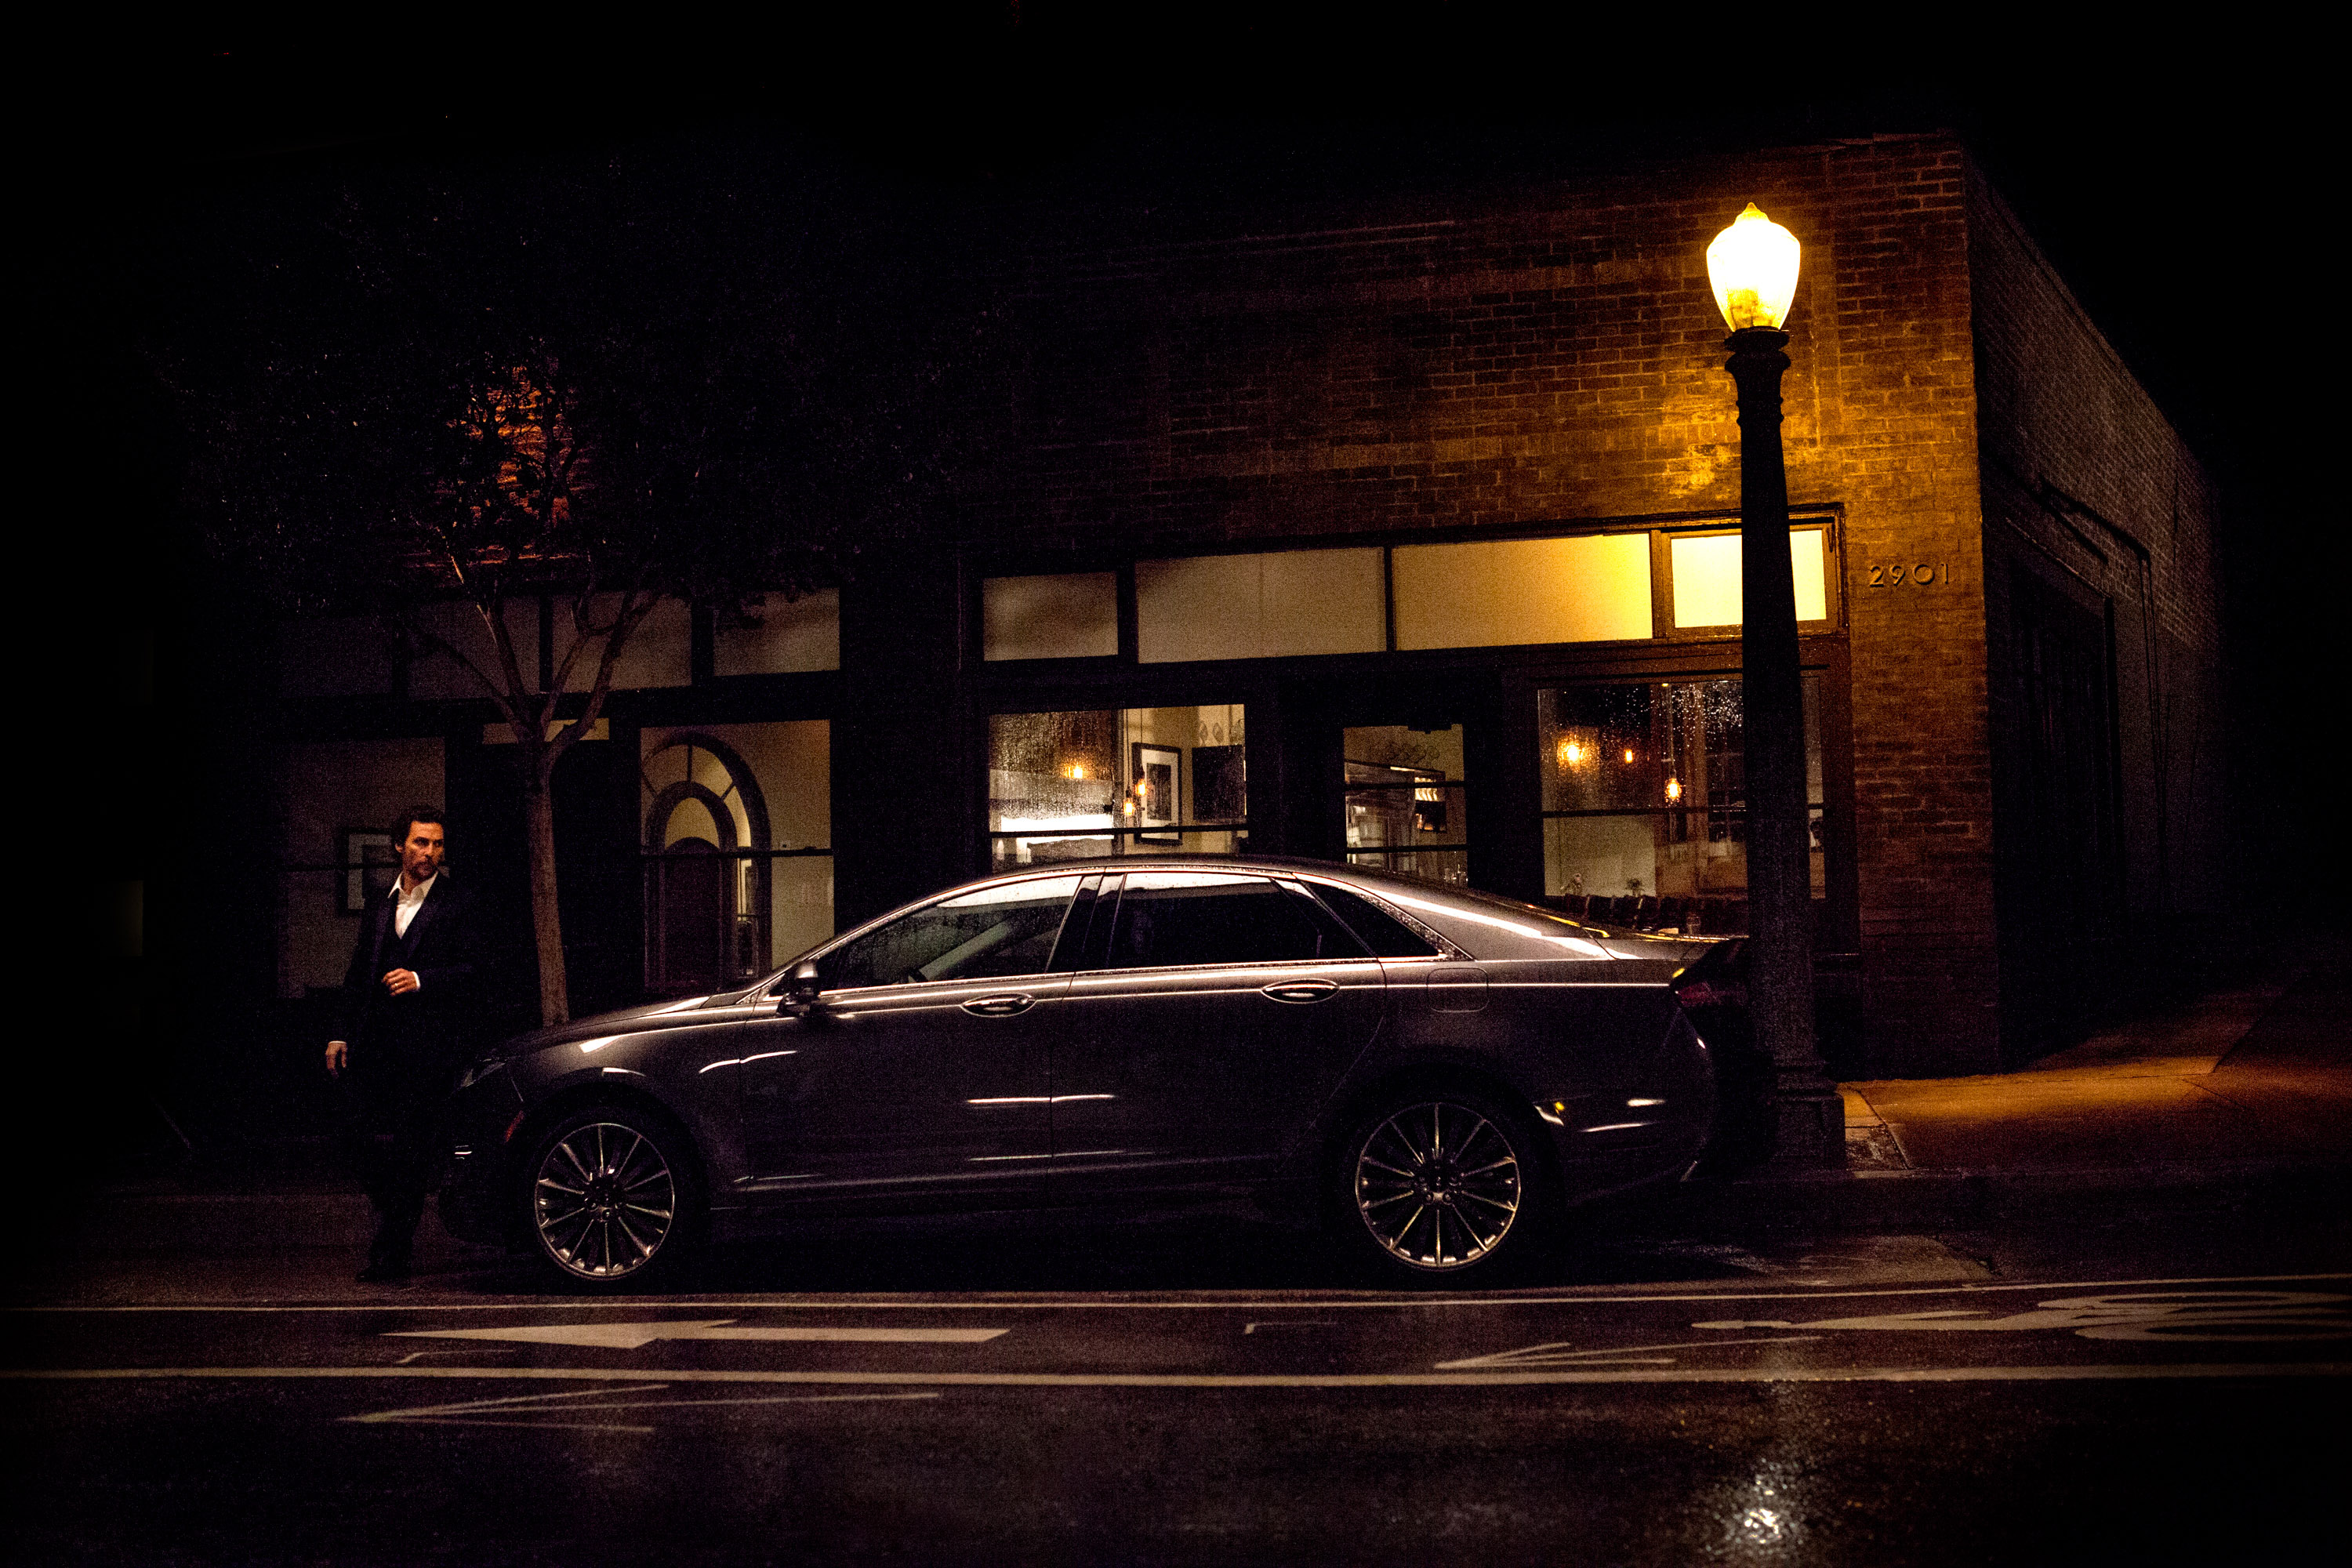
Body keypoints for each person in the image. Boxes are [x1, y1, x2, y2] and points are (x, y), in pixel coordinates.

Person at [325, 808, 479, 1282]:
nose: (429, 853)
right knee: (355, 1140)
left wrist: (420, 979)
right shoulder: (379, 902)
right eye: (419, 843)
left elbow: (477, 974)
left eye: (436, 845)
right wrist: (340, 1031)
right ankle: (393, 1217)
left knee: (412, 1152)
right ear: (399, 846)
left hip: (428, 1051)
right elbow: (359, 973)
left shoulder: (458, 903)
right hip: (375, 1047)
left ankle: (391, 1252)